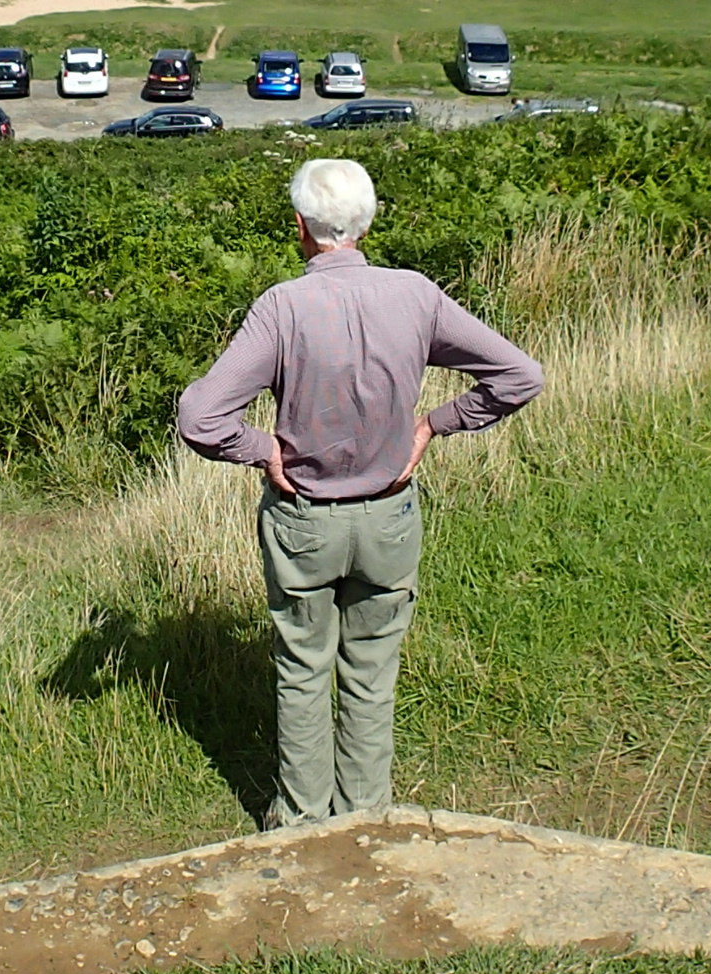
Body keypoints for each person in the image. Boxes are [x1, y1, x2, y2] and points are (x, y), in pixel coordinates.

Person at [176, 160, 545, 828]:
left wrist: (263, 451)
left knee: (302, 669)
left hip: (304, 522)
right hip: (389, 518)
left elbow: (200, 418)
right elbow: (520, 375)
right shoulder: (415, 296)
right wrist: (435, 424)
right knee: (372, 674)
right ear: (367, 222)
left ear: (301, 228)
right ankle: (365, 819)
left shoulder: (282, 307)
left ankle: (300, 822)